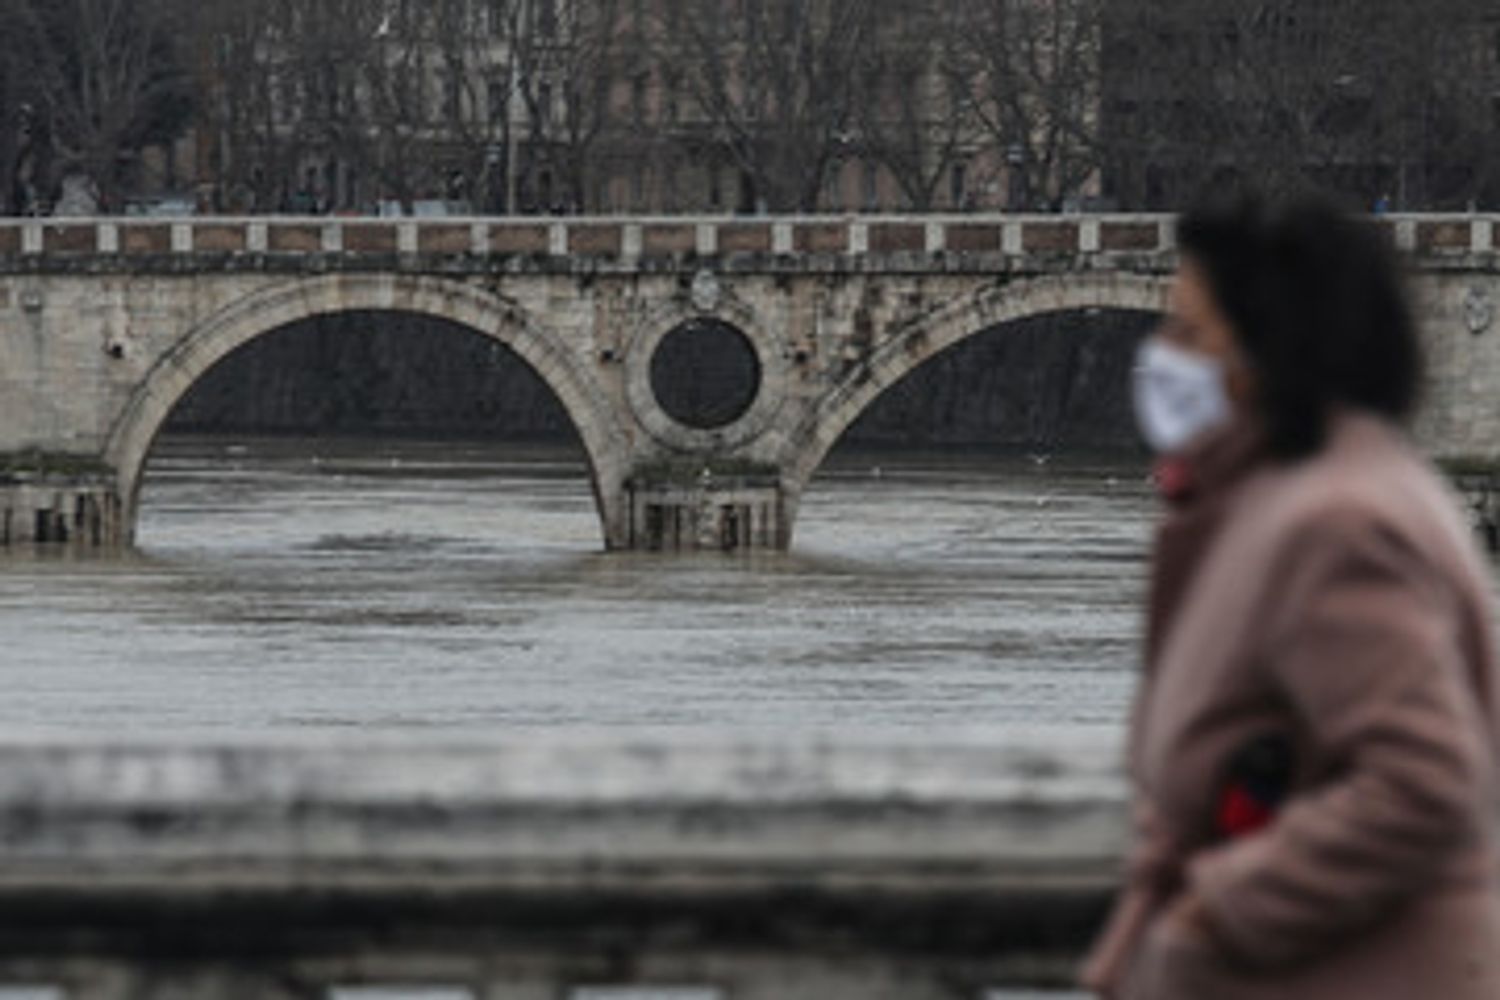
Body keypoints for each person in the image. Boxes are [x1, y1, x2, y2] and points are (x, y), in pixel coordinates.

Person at [1080, 194, 1500, 999]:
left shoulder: (1338, 526)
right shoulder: (1288, 503)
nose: (1162, 354)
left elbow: (1423, 785)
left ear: (1266, 354)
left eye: (1189, 333)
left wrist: (1217, 914)